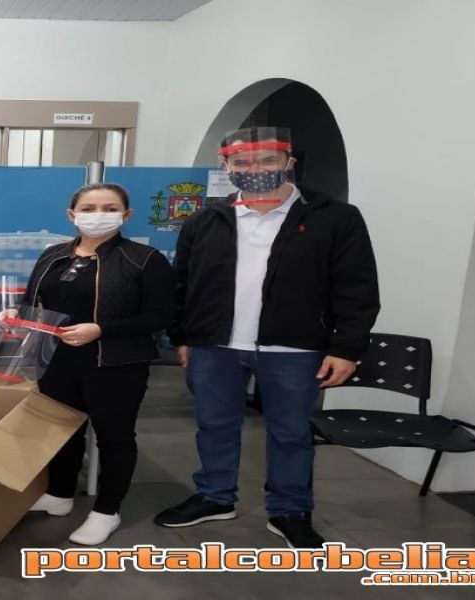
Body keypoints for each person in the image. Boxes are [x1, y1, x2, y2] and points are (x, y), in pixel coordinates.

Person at [154, 127, 380, 548]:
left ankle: (289, 510)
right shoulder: (206, 220)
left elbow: (357, 287)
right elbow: (182, 284)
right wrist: (181, 336)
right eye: (241, 162)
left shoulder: (335, 218)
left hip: (294, 348)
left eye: (267, 160)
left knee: (290, 432)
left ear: (289, 161)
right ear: (225, 166)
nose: (254, 169)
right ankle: (215, 496)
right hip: (215, 346)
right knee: (214, 425)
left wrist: (346, 348)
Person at [13, 182, 175, 545]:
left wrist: (102, 329)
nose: (98, 215)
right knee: (62, 430)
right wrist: (15, 315)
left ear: (126, 215)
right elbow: (32, 303)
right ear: (72, 215)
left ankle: (106, 511)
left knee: (114, 437)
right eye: (88, 209)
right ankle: (59, 494)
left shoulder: (144, 259)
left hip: (116, 362)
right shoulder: (53, 255)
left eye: (109, 208)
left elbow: (161, 315)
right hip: (56, 359)